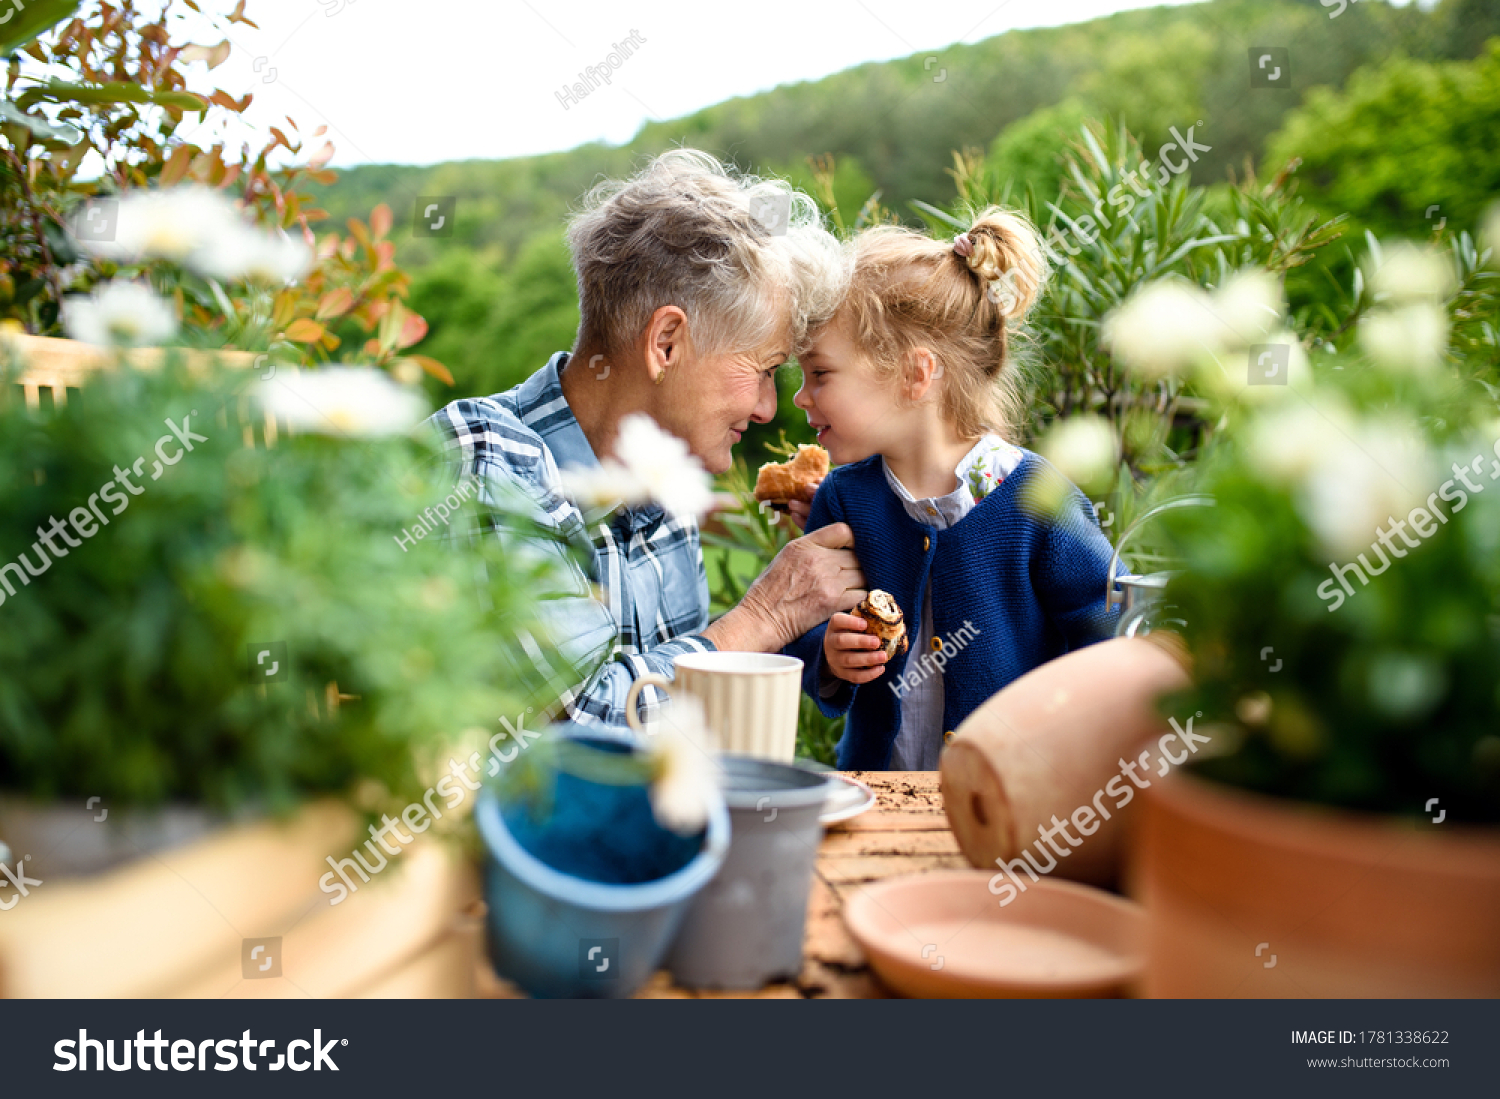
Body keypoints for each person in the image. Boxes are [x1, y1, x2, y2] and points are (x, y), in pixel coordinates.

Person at [427, 150, 865, 731]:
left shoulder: (662, 479)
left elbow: (679, 707)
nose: (767, 408)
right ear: (665, 344)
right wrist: (765, 614)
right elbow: (580, 725)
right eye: (763, 369)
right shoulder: (486, 457)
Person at [784, 208, 1118, 770]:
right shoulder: (843, 499)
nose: (801, 396)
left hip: (1011, 805)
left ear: (917, 374)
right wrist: (830, 656)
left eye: (820, 374)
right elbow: (802, 625)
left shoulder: (1034, 496)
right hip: (877, 798)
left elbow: (1105, 631)